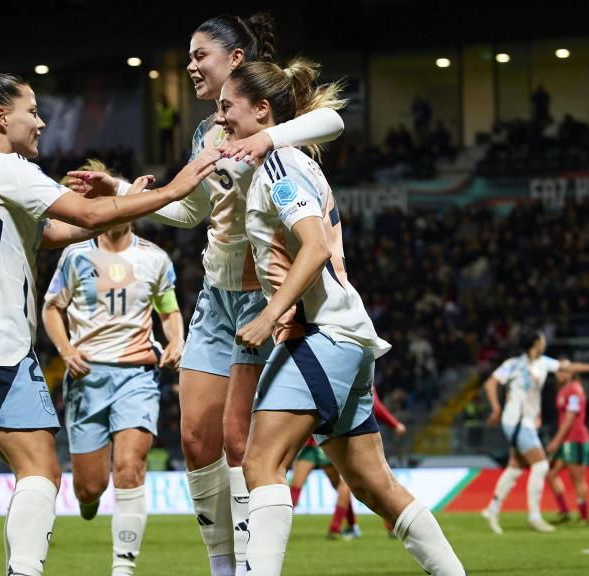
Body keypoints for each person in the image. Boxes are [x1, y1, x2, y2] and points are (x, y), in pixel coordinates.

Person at [67, 15, 344, 576]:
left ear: (235, 59)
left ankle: (249, 566)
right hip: (216, 298)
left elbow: (334, 120)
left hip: (262, 298)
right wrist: (119, 188)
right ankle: (222, 565)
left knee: (240, 443)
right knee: (196, 439)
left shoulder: (269, 113)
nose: (191, 65)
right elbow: (190, 211)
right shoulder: (205, 135)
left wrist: (268, 136)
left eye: (200, 55)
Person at [0, 71, 219, 576]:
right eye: (32, 111)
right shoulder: (7, 168)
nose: (41, 122)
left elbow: (57, 232)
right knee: (41, 472)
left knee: (37, 472)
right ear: (1, 118)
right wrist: (174, 190)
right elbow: (86, 218)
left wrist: (123, 204)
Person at [218, 59, 466, 575]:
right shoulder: (286, 163)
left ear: (261, 110)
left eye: (227, 107)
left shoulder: (280, 166)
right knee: (374, 485)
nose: (220, 118)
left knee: (261, 463)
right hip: (345, 338)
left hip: (320, 334)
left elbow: (311, 248)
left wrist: (269, 315)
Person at [42, 160, 185, 576]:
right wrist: (66, 350)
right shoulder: (74, 256)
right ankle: (88, 501)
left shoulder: (154, 259)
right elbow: (51, 308)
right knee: (90, 487)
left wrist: (176, 340)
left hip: (137, 375)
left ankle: (123, 566)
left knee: (130, 467)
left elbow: (168, 310)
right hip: (86, 377)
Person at [480, 328, 589, 534]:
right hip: (516, 422)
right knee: (541, 466)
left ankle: (492, 510)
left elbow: (570, 366)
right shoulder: (514, 364)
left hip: (526, 422)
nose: (544, 341)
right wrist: (496, 408)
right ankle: (534, 516)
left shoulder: (543, 363)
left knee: (515, 467)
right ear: (536, 343)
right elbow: (490, 383)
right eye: (542, 339)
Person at [288, 383, 406, 541]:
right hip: (314, 440)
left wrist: (394, 424)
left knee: (355, 484)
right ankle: (348, 525)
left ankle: (343, 527)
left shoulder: (357, 373)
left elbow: (374, 404)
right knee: (302, 485)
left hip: (341, 436)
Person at [545, 367, 589, 525]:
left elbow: (570, 418)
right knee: (551, 474)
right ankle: (565, 511)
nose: (560, 374)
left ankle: (584, 517)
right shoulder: (564, 390)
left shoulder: (574, 390)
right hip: (566, 440)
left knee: (577, 478)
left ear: (571, 373)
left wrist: (556, 441)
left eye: (564, 371)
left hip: (576, 439)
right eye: (558, 371)